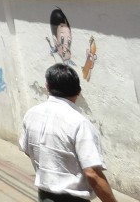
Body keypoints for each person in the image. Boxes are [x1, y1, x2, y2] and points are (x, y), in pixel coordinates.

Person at [20, 63, 118, 202]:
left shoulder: (31, 114)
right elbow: (92, 174)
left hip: (44, 196)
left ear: (47, 86)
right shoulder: (80, 123)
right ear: (79, 91)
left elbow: (27, 150)